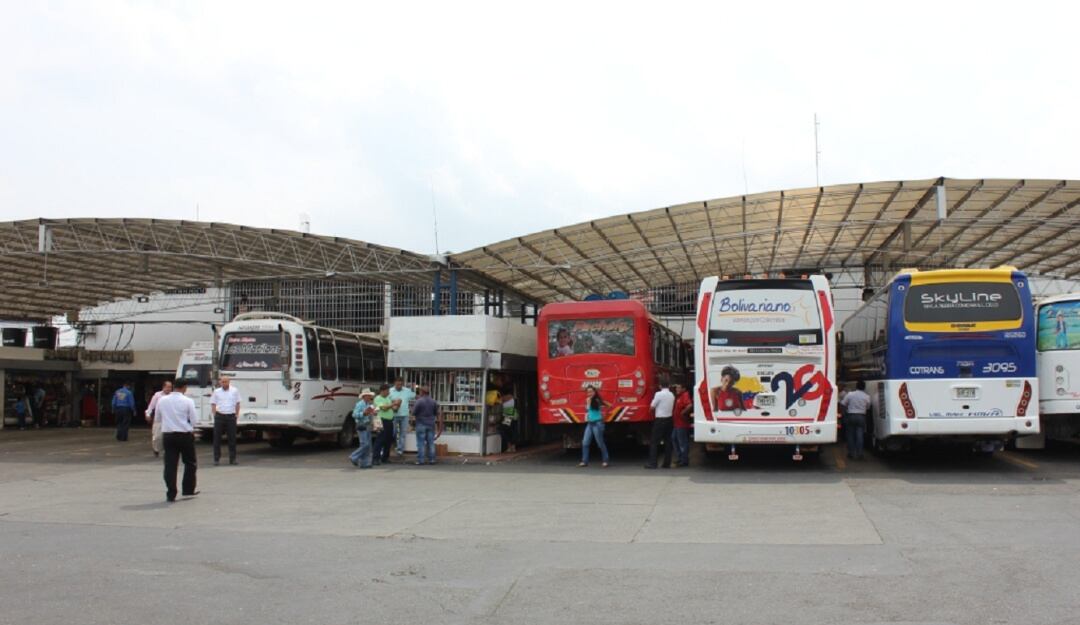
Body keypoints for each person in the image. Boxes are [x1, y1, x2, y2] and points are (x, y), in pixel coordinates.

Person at [156, 378, 199, 502]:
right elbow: (194, 420)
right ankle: (188, 489)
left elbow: (158, 417)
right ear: (184, 387)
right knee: (190, 463)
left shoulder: (162, 400)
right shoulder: (188, 401)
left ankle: (171, 492)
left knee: (170, 465)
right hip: (185, 435)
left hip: (168, 435)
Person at [210, 375, 242, 466]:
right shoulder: (216, 392)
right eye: (222, 381)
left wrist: (236, 414)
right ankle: (216, 459)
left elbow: (238, 403)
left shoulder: (234, 391)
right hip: (220, 416)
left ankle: (232, 459)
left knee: (232, 438)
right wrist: (215, 414)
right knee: (217, 438)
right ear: (220, 382)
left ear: (229, 382)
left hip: (231, 416)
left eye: (226, 381)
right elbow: (213, 403)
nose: (224, 383)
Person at [579, 385, 611, 468]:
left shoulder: (597, 400)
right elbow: (588, 411)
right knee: (585, 442)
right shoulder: (587, 400)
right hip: (589, 424)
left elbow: (609, 405)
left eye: (591, 391)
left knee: (600, 443)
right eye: (588, 392)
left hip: (598, 424)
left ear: (594, 392)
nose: (589, 393)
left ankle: (605, 460)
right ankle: (584, 461)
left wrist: (604, 416)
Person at [645, 384, 676, 469]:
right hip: (669, 420)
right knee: (668, 442)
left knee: (654, 442)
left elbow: (652, 406)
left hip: (660, 420)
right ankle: (667, 463)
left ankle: (653, 463)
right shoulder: (672, 395)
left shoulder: (658, 394)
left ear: (660, 386)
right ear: (668, 386)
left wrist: (650, 411)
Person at [840, 380, 872, 460]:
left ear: (856, 386)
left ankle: (851, 453)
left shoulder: (850, 394)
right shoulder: (866, 396)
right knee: (860, 435)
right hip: (861, 416)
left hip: (850, 415)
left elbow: (843, 404)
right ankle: (860, 453)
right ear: (864, 387)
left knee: (850, 435)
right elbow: (868, 407)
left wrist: (844, 413)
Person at [411, 386, 440, 465]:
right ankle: (432, 460)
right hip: (431, 424)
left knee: (420, 443)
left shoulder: (419, 401)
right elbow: (436, 413)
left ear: (422, 392)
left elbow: (413, 412)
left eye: (420, 392)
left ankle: (421, 460)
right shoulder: (433, 401)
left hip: (420, 424)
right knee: (431, 442)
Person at [388, 377, 415, 458]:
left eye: (400, 384)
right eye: (397, 384)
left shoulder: (407, 390)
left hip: (404, 415)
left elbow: (414, 396)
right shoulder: (390, 391)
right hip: (393, 415)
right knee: (393, 432)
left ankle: (400, 450)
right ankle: (392, 447)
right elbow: (386, 401)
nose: (399, 386)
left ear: (402, 384)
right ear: (394, 383)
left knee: (403, 433)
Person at [145, 380, 173, 457]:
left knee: (167, 436)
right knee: (157, 436)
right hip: (159, 419)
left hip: (169, 419)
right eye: (167, 387)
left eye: (170, 387)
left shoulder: (173, 396)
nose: (169, 388)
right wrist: (148, 414)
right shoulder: (157, 395)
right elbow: (151, 406)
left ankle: (166, 450)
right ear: (163, 387)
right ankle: (156, 449)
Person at [349, 389, 376, 468]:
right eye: (368, 395)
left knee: (367, 445)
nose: (370, 397)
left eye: (370, 395)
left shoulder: (367, 404)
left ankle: (365, 463)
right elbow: (354, 415)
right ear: (364, 396)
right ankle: (354, 457)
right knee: (365, 444)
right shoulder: (359, 404)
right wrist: (363, 413)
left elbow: (368, 414)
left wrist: (372, 413)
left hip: (366, 425)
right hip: (362, 425)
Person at [371, 384, 395, 465]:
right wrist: (393, 404)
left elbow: (391, 408)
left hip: (389, 420)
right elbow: (384, 408)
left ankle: (385, 457)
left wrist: (396, 405)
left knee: (388, 439)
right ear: (382, 391)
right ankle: (375, 458)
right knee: (380, 439)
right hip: (380, 420)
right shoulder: (378, 398)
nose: (388, 392)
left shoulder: (388, 398)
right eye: (387, 391)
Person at [671, 383, 693, 467]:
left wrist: (683, 413)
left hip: (682, 424)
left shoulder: (685, 395)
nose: (677, 389)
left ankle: (684, 460)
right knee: (674, 438)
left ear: (684, 389)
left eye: (679, 388)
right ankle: (680, 458)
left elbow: (690, 405)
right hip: (677, 424)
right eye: (676, 388)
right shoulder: (679, 396)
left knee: (682, 442)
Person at [498, 386, 518, 453]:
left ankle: (509, 447)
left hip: (508, 415)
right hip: (514, 415)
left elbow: (499, 402)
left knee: (504, 430)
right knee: (512, 430)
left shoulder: (505, 397)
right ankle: (513, 447)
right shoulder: (512, 397)